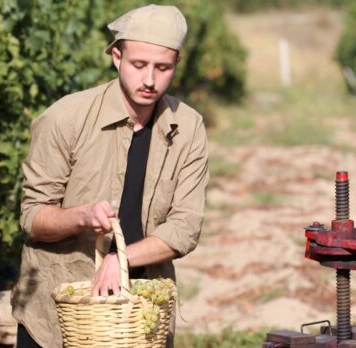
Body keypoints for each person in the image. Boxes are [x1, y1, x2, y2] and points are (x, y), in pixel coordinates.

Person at [11, 5, 209, 347]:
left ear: (176, 64)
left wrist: (122, 260)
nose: (149, 80)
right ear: (117, 56)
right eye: (138, 65)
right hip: (58, 317)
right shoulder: (66, 118)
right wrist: (80, 217)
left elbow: (184, 228)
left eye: (162, 68)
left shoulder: (188, 128)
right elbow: (32, 217)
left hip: (138, 318)